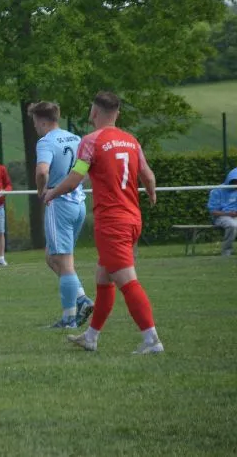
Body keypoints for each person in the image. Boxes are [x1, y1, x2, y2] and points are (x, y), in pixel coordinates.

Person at [44, 91, 163, 354]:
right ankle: (91, 337)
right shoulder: (131, 141)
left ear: (94, 112)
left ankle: (151, 339)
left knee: (127, 281)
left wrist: (51, 193)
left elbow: (75, 179)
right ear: (117, 113)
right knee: (103, 277)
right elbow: (148, 175)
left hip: (112, 222)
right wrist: (151, 194)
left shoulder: (90, 141)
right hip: (132, 218)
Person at [30, 101, 95, 328]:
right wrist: (75, 184)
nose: (34, 126)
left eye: (35, 122)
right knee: (52, 257)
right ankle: (81, 299)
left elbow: (42, 171)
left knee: (63, 261)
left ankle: (69, 318)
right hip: (78, 203)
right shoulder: (76, 138)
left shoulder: (46, 142)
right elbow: (88, 168)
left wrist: (42, 191)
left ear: (42, 121)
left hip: (59, 204)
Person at [207, 167, 237, 256]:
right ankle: (226, 252)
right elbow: (213, 212)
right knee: (232, 225)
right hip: (221, 217)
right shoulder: (217, 191)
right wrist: (229, 214)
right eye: (235, 181)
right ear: (229, 180)